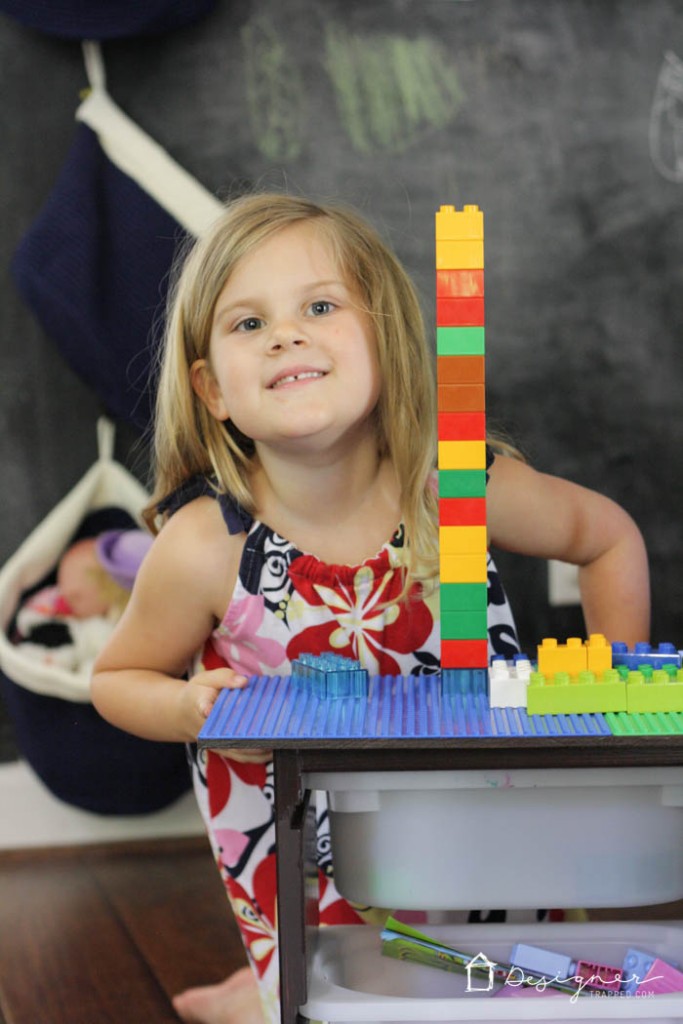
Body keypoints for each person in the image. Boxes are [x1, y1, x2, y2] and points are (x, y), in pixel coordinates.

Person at [91, 192, 650, 1024]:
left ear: (383, 343)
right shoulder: (207, 545)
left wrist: (612, 691)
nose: (285, 334)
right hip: (300, 844)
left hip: (472, 819)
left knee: (492, 984)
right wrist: (184, 705)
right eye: (248, 324)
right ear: (211, 390)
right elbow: (118, 676)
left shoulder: (456, 487)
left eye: (319, 306)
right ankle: (262, 991)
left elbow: (607, 539)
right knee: (329, 993)